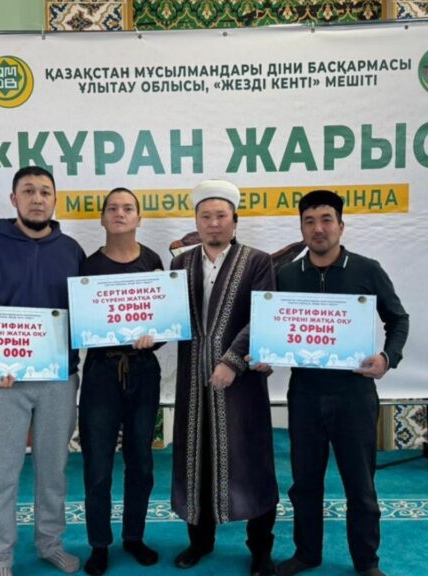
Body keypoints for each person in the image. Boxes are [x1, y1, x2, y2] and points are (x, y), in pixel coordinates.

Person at [0, 166, 85, 576]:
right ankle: (0, 557)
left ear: (55, 200)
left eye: (45, 191)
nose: (37, 198)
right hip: (1, 384)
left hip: (58, 381)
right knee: (1, 475)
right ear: (14, 199)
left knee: (53, 473)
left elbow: (85, 316)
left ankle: (50, 544)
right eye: (28, 191)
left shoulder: (71, 251)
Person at [273, 190, 410, 576]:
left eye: (326, 220)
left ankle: (366, 562)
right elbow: (273, 327)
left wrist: (387, 358)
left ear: (341, 225)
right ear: (302, 229)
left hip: (354, 394)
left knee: (360, 485)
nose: (318, 228)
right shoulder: (286, 275)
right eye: (310, 221)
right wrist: (266, 355)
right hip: (304, 393)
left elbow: (398, 319)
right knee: (304, 484)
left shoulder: (367, 269)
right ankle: (307, 554)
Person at [170, 179, 278, 576]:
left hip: (242, 384)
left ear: (235, 220)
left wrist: (232, 361)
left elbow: (263, 314)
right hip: (193, 382)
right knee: (195, 460)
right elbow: (170, 316)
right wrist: (146, 330)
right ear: (196, 221)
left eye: (221, 216)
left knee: (252, 461)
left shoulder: (258, 261)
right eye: (206, 216)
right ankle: (200, 542)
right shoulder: (180, 264)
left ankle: (260, 550)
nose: (213, 223)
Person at [79, 188, 164, 576]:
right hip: (101, 371)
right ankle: (99, 544)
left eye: (128, 208)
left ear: (139, 218)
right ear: (102, 219)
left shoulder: (153, 262)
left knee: (141, 461)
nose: (120, 213)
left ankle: (133, 536)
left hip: (144, 370)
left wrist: (154, 338)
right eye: (112, 208)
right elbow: (81, 322)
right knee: (97, 465)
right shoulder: (88, 267)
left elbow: (165, 318)